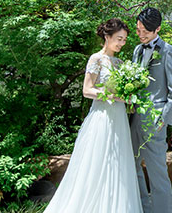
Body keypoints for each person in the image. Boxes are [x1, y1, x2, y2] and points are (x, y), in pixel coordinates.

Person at [43, 18, 142, 213]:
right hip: (102, 117)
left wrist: (129, 97)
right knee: (97, 161)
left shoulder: (120, 63)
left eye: (124, 40)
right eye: (119, 39)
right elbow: (87, 90)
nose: (122, 43)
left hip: (119, 118)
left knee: (118, 163)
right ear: (107, 36)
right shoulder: (96, 59)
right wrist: (112, 96)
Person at [130, 7, 172, 213]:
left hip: (155, 120)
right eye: (138, 30)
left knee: (157, 173)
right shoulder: (137, 50)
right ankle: (144, 209)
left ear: (157, 29)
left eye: (145, 31)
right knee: (132, 167)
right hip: (134, 119)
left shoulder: (168, 51)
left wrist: (163, 120)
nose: (141, 34)